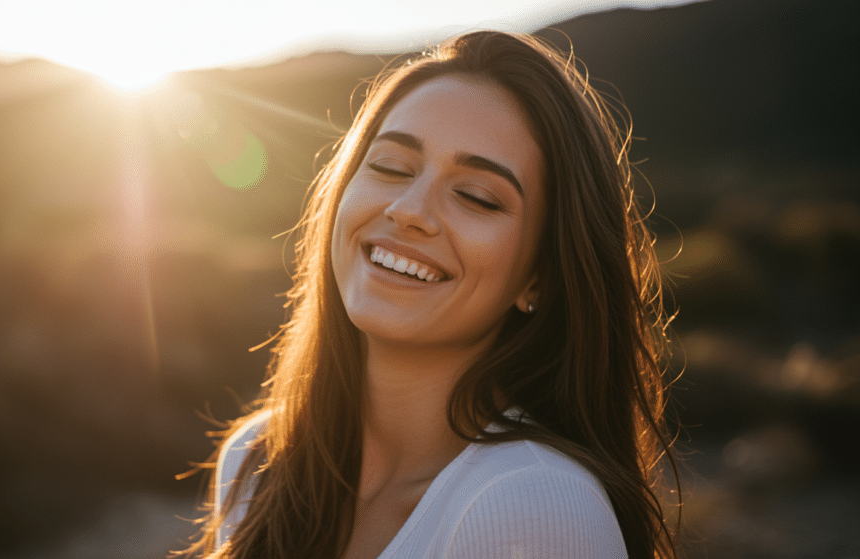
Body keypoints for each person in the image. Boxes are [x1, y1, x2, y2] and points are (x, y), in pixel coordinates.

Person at [183, 30, 680, 558]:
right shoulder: (260, 461)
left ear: (542, 277)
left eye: (477, 197)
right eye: (390, 167)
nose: (410, 210)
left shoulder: (534, 506)